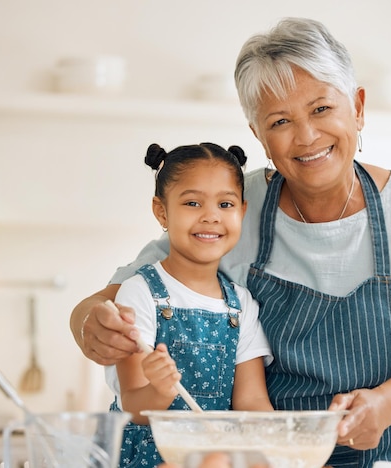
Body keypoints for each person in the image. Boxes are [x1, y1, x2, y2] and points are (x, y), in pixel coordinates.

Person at [70, 17, 391, 468]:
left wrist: (384, 405)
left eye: (322, 109)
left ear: (358, 107)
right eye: (280, 120)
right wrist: (93, 327)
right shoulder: (232, 207)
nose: (306, 136)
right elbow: (102, 306)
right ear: (258, 135)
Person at [106, 142, 274, 467]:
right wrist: (160, 389)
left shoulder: (241, 305)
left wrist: (282, 448)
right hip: (148, 457)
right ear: (162, 211)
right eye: (193, 202)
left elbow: (252, 402)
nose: (211, 216)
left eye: (225, 204)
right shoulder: (138, 293)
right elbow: (133, 406)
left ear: (242, 211)